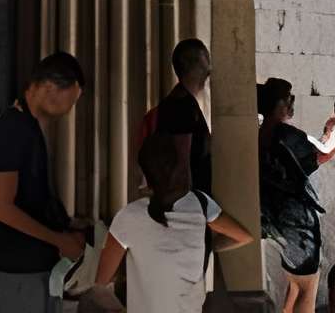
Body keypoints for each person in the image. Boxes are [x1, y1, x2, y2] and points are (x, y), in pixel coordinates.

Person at [95, 132, 252, 313]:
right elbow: (244, 237)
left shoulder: (128, 217)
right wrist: (206, 247)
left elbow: (100, 283)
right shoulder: (201, 205)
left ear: (145, 176)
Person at [0, 52, 88, 313]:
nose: (69, 110)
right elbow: (4, 209)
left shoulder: (26, 126)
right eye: (70, 100)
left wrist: (65, 229)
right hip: (17, 266)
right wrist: (59, 240)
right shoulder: (14, 129)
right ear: (49, 87)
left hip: (29, 264)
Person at [257, 77, 335, 313]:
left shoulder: (260, 134)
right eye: (288, 99)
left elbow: (309, 155)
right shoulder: (284, 134)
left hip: (274, 221)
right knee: (307, 288)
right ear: (278, 105)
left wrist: (327, 132)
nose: (291, 102)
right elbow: (322, 154)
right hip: (297, 223)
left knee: (296, 284)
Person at [141, 41, 213, 199]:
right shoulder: (180, 106)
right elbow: (181, 164)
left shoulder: (183, 102)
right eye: (206, 58)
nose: (209, 67)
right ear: (191, 65)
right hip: (190, 201)